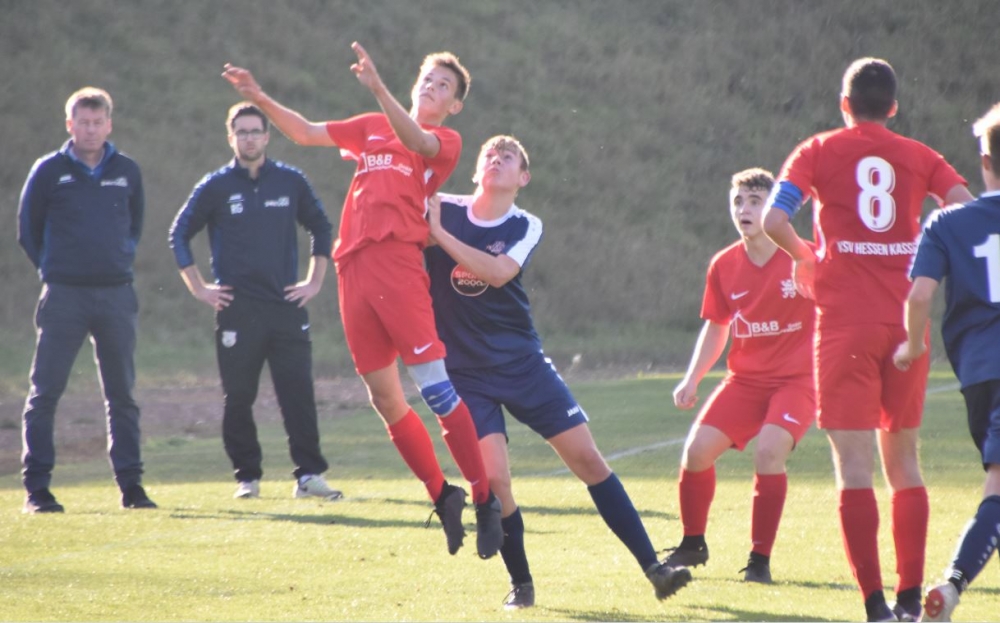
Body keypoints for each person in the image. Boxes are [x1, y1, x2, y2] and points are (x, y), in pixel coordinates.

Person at [221, 43, 503, 558]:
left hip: (398, 262)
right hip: (353, 267)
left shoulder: (444, 139)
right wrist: (259, 96)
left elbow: (415, 138)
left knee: (436, 389)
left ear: (455, 105)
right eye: (428, 78)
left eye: (444, 85)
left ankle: (485, 498)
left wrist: (377, 87)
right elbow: (306, 132)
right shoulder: (372, 126)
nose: (432, 87)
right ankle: (443, 495)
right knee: (384, 398)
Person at [424, 135, 692, 608]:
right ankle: (521, 585)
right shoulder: (441, 206)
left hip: (523, 364)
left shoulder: (524, 224)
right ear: (475, 170)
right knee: (496, 481)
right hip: (466, 374)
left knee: (587, 459)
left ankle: (656, 569)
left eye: (508, 157)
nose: (496, 159)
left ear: (523, 178)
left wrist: (439, 236)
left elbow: (498, 273)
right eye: (489, 154)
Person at [762, 57, 974, 622]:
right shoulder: (920, 155)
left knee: (853, 466)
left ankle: (876, 605)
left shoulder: (815, 150)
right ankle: (910, 598)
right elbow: (963, 209)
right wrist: (929, 257)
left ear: (844, 104)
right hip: (906, 325)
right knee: (904, 463)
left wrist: (806, 256)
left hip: (843, 324)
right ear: (894, 107)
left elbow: (774, 220)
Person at [169, 102, 342, 501]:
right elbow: (178, 233)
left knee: (298, 394)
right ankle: (247, 477)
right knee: (239, 397)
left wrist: (314, 281)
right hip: (237, 310)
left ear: (266, 137)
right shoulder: (215, 186)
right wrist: (199, 287)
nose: (249, 138)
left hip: (285, 307)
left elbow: (321, 227)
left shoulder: (290, 182)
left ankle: (309, 476)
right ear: (231, 138)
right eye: (241, 132)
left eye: (255, 132)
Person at [665, 168, 815, 584]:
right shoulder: (724, 264)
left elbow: (841, 306)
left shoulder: (805, 257)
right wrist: (692, 378)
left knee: (768, 452)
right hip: (746, 381)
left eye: (755, 201)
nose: (744, 209)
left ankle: (759, 561)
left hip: (798, 381)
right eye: (737, 201)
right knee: (696, 453)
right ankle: (692, 544)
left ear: (776, 209)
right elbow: (717, 327)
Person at [16, 87, 156, 513]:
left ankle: (131, 488)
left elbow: (135, 226)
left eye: (97, 122)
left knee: (122, 395)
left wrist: (115, 260)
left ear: (109, 124)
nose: (90, 129)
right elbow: (28, 230)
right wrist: (56, 270)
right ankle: (37, 489)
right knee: (45, 392)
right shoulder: (48, 171)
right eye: (83, 122)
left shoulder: (127, 171)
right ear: (69, 125)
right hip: (65, 296)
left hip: (115, 295)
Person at [893, 102, 1000, 622]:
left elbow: (919, 296)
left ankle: (954, 585)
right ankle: (954, 583)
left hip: (981, 375)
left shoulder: (947, 222)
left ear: (985, 161)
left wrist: (913, 346)